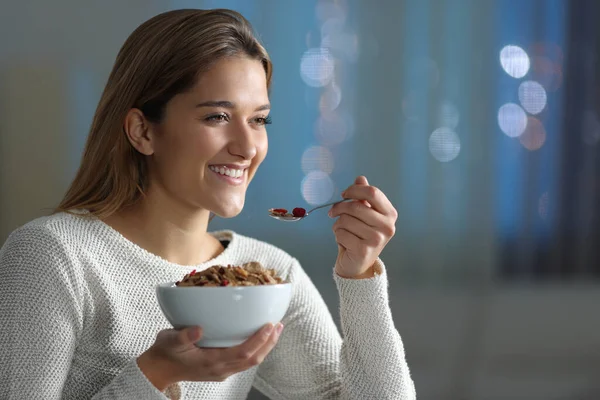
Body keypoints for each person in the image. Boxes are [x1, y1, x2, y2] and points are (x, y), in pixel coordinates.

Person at [0, 8, 415, 400]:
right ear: (142, 131)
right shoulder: (52, 256)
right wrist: (155, 374)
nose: (247, 146)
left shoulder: (267, 276)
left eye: (258, 120)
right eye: (217, 116)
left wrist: (360, 277)